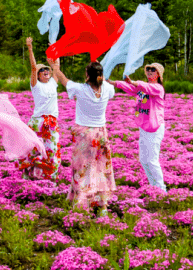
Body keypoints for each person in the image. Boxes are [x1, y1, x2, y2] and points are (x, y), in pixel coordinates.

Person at [50, 57, 116, 217]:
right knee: (101, 167)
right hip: (101, 133)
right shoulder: (107, 88)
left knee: (82, 168)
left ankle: (82, 202)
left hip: (85, 133)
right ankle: (102, 205)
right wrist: (99, 68)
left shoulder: (80, 89)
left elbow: (62, 78)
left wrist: (53, 65)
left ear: (87, 75)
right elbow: (106, 85)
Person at [114, 62, 167, 193]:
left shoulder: (158, 88)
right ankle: (153, 187)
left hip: (154, 128)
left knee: (152, 160)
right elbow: (129, 88)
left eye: (153, 70)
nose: (149, 71)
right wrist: (111, 82)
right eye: (148, 69)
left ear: (158, 74)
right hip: (144, 127)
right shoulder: (143, 88)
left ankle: (161, 189)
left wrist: (134, 82)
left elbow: (144, 87)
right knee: (144, 160)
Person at [18, 37, 61, 180]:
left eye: (46, 69)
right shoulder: (35, 85)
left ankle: (50, 179)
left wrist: (55, 50)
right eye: (41, 70)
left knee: (52, 151)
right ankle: (28, 174)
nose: (45, 71)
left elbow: (56, 67)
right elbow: (32, 67)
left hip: (51, 122)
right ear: (37, 74)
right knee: (32, 150)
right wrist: (30, 48)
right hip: (38, 121)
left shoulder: (53, 83)